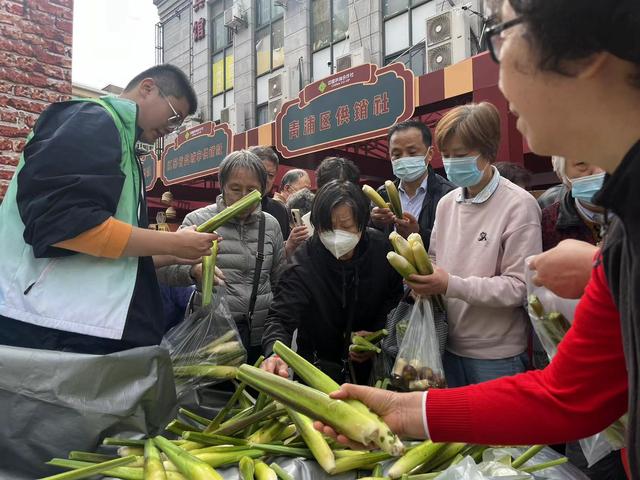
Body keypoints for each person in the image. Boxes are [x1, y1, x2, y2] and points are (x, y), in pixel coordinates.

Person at [314, 0, 640, 476]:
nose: (497, 66)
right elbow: (569, 394)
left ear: (586, 51)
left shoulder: (537, 210)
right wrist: (406, 411)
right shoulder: (621, 235)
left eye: (501, 32)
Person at [0, 64, 219, 353]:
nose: (170, 129)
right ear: (148, 88)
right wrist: (174, 241)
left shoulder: (126, 147)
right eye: (174, 117)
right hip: (49, 325)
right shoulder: (93, 120)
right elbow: (66, 228)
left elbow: (110, 248)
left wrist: (177, 252)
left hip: (71, 322)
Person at [406, 102, 542, 387]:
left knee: (500, 432)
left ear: (488, 152)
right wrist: (422, 279)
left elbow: (520, 287)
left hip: (497, 356)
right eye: (446, 155)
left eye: (461, 155)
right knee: (453, 432)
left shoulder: (519, 205)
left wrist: (450, 285)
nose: (452, 162)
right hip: (446, 344)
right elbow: (435, 259)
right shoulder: (446, 204)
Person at [261, 180, 403, 384]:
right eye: (327, 228)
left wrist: (376, 336)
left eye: (346, 227)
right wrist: (274, 354)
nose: (337, 236)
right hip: (316, 367)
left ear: (362, 224)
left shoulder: (382, 251)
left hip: (371, 369)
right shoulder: (304, 260)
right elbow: (281, 317)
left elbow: (395, 300)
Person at [157, 151, 284, 363]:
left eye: (251, 190)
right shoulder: (198, 220)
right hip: (212, 338)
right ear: (222, 186)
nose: (243, 196)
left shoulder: (270, 225)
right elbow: (164, 269)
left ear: (262, 190)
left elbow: (279, 279)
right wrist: (193, 270)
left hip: (258, 338)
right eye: (235, 189)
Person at [370, 119, 455, 250]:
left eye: (412, 152)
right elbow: (371, 244)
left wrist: (418, 235)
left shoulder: (448, 194)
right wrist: (375, 223)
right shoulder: (382, 194)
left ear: (430, 153)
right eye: (397, 154)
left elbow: (455, 244)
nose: (404, 158)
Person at [248, 145, 306, 259]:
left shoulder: (279, 210)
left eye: (270, 175)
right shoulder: (227, 207)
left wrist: (290, 245)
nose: (266, 180)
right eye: (261, 173)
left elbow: (281, 258)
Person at [542, 156, 606, 251]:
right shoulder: (545, 225)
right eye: (581, 163)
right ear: (561, 174)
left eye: (608, 160)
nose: (600, 171)